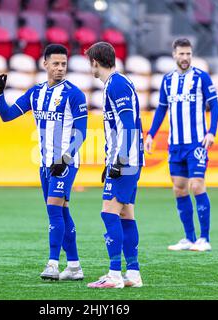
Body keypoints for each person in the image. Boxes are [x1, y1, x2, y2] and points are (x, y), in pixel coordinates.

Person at [0, 44, 88, 280]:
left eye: (63, 64)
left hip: (66, 163)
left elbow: (81, 132)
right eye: (55, 63)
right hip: (45, 164)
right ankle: (75, 267)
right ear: (44, 64)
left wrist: (65, 158)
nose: (60, 68)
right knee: (61, 213)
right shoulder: (36, 93)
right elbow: (7, 116)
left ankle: (53, 264)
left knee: (54, 210)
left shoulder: (75, 94)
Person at [144, 38, 218, 252]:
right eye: (181, 54)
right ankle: (189, 238)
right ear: (174, 55)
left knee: (196, 185)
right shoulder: (167, 80)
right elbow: (161, 109)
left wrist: (212, 131)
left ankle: (204, 239)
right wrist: (150, 134)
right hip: (175, 145)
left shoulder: (201, 77)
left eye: (188, 54)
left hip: (196, 143)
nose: (185, 57)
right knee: (178, 188)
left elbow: (214, 106)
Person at [85, 42, 144, 289]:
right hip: (128, 160)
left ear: (95, 62)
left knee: (108, 213)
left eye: (90, 62)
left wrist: (118, 161)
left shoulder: (117, 85)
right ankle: (133, 273)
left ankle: (114, 275)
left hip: (126, 161)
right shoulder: (117, 83)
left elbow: (129, 126)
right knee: (125, 215)